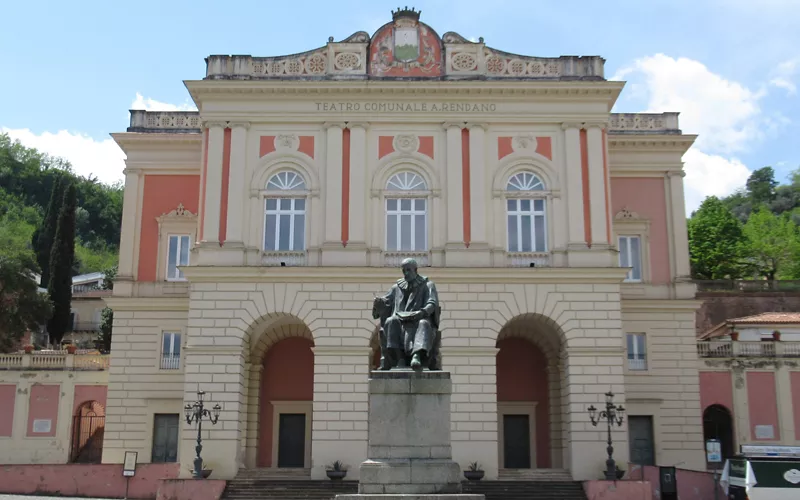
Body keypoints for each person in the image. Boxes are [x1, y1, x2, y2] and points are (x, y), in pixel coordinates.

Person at [373, 258, 439, 370]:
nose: (406, 273)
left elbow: (432, 303)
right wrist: (380, 302)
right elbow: (387, 301)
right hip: (400, 320)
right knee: (391, 321)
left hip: (419, 318)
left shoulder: (428, 285)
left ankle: (416, 355)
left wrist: (421, 312)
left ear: (416, 270)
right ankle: (400, 358)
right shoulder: (396, 287)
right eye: (404, 270)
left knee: (423, 324)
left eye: (409, 270)